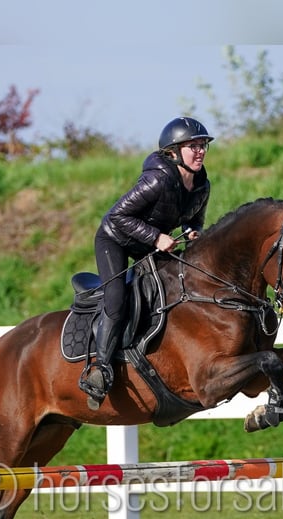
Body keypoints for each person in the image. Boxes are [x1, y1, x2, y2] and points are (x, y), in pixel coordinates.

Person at [81, 117, 215, 410]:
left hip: (150, 241)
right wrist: (156, 238)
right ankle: (100, 371)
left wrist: (193, 231)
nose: (200, 151)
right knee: (116, 300)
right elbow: (116, 216)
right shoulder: (157, 179)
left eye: (202, 145)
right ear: (173, 152)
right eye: (192, 146)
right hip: (115, 239)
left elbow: (196, 221)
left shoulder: (202, 184)